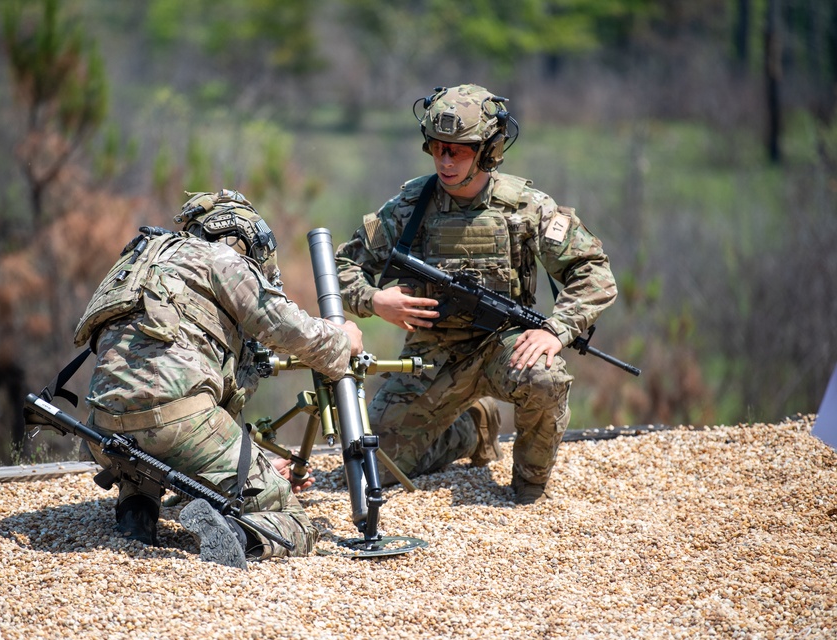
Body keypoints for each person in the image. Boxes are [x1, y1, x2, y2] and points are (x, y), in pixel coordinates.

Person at [334, 84, 617, 504]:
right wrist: (374, 301)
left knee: (544, 378)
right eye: (437, 148)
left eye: (459, 151)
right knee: (364, 470)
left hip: (505, 346)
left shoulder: (525, 207)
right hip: (432, 358)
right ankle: (471, 428)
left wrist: (557, 330)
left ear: (488, 151)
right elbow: (343, 266)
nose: (445, 161)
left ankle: (529, 486)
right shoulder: (410, 207)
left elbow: (593, 272)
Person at [75, 189, 363, 568]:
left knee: (147, 452)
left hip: (104, 431)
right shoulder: (220, 258)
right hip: (179, 426)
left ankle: (136, 513)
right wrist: (343, 341)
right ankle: (236, 535)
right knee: (295, 522)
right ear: (244, 238)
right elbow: (285, 326)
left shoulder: (140, 259)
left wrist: (247, 462)